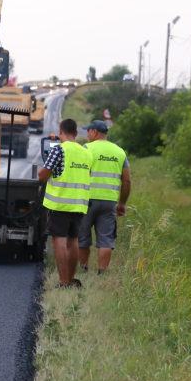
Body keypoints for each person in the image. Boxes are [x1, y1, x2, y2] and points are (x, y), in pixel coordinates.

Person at [38, 118, 92, 287]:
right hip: (79, 204)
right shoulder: (87, 153)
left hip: (60, 204)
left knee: (59, 241)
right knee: (73, 240)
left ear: (61, 133)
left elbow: (43, 175)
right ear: (76, 133)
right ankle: (71, 278)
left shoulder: (59, 150)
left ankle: (63, 282)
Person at [78, 120, 131, 274]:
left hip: (86, 201)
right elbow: (127, 180)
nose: (87, 134)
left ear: (94, 132)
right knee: (106, 240)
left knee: (83, 237)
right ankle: (102, 273)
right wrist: (122, 204)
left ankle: (83, 270)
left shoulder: (86, 149)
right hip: (109, 202)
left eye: (88, 131)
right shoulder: (119, 152)